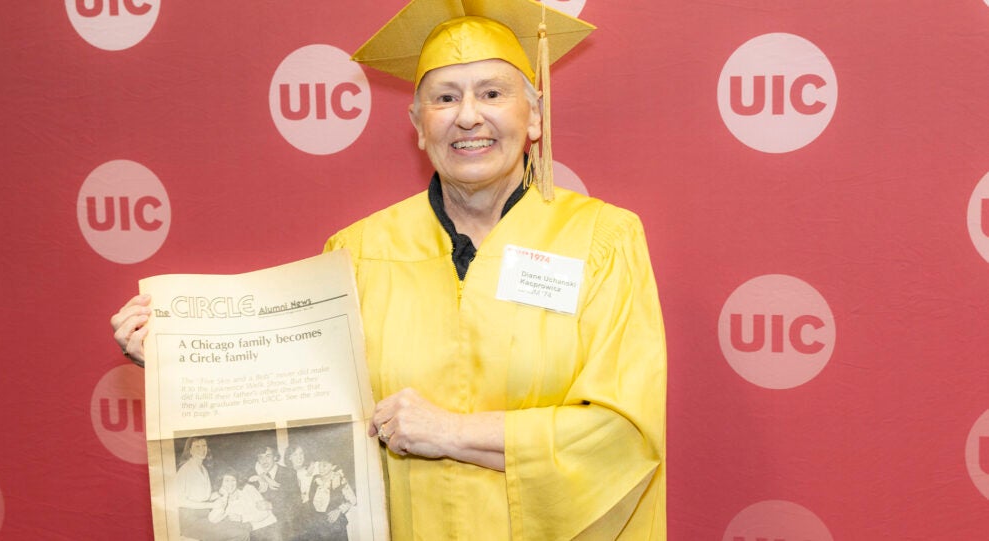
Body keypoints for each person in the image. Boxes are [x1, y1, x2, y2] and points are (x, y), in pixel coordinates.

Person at [112, 0, 666, 538]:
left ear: (535, 115)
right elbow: (304, 407)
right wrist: (180, 360)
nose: (468, 115)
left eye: (492, 93)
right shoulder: (358, 252)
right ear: (418, 124)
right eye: (445, 98)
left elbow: (623, 434)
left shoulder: (602, 240)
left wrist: (451, 432)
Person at [174, 437, 250, 541]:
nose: (202, 449)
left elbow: (204, 497)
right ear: (190, 451)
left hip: (204, 517)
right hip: (190, 522)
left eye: (204, 445)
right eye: (197, 446)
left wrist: (219, 493)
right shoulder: (185, 470)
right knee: (240, 534)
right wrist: (211, 505)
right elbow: (179, 501)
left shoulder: (203, 469)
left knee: (245, 526)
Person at [208, 470, 281, 541]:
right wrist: (225, 496)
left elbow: (265, 513)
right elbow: (213, 519)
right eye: (226, 480)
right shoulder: (222, 500)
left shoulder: (248, 489)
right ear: (220, 483)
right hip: (251, 533)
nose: (230, 484)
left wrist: (242, 518)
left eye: (233, 480)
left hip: (269, 527)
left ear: (237, 481)